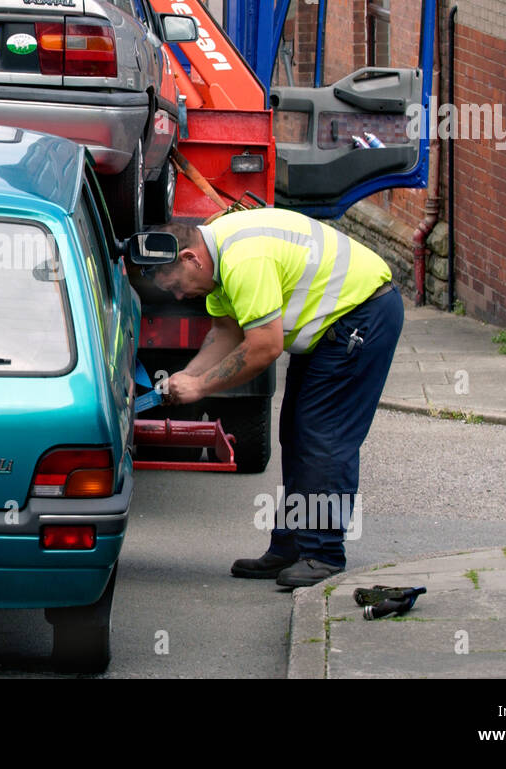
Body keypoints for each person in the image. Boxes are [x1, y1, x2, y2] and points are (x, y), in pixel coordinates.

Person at [148, 207, 403, 588]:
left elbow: (263, 348)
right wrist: (189, 374)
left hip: (361, 315)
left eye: (177, 285)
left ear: (190, 258)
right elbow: (226, 332)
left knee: (323, 436)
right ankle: (290, 547)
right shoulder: (217, 263)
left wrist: (200, 387)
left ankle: (323, 555)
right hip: (330, 328)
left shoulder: (243, 259)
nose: (181, 295)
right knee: (296, 434)